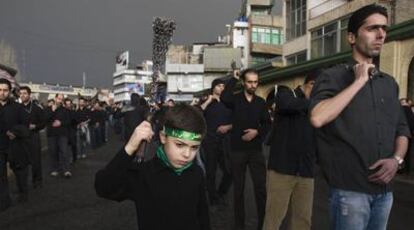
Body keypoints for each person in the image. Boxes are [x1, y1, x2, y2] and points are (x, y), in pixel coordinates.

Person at [309, 4, 411, 230]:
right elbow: (317, 118)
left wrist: (397, 161)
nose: (381, 34)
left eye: (384, 28)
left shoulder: (389, 84)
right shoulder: (332, 76)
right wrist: (358, 82)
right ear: (352, 37)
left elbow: (402, 130)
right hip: (349, 192)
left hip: (385, 194)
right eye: (372, 28)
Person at [95, 104, 210, 230]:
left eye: (194, 147)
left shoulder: (196, 172)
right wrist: (130, 147)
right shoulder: (143, 175)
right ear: (163, 137)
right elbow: (103, 187)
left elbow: (202, 214)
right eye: (179, 144)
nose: (187, 154)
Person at [263, 73, 318, 230]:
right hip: (282, 170)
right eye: (316, 86)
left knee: (303, 220)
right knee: (274, 218)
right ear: (309, 84)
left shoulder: (316, 106)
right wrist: (316, 102)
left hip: (306, 172)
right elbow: (286, 104)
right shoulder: (286, 94)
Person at [221, 68, 271, 230]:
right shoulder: (235, 99)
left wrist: (257, 132)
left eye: (255, 82)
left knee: (260, 189)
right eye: (249, 82)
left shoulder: (261, 102)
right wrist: (233, 79)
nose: (253, 85)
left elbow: (267, 124)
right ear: (244, 82)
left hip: (256, 150)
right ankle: (239, 225)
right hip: (238, 150)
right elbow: (224, 97)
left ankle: (263, 223)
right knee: (239, 190)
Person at [200, 78, 233, 206]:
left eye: (223, 86)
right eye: (219, 86)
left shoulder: (229, 103)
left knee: (230, 171)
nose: (221, 88)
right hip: (210, 142)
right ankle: (213, 198)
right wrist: (208, 101)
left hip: (225, 142)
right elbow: (198, 112)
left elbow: (238, 120)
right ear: (213, 87)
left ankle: (221, 193)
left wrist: (228, 127)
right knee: (211, 171)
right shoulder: (207, 102)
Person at [0, 79, 30, 210]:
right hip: (0, 146)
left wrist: (15, 132)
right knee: (1, 176)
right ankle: (4, 201)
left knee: (19, 172)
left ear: (10, 91)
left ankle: (23, 194)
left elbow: (25, 125)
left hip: (15, 145)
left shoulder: (18, 108)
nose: (2, 93)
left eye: (5, 90)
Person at [19, 86, 46, 188]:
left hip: (34, 136)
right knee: (22, 162)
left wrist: (36, 126)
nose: (22, 95)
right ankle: (22, 183)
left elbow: (43, 123)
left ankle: (37, 181)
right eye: (20, 93)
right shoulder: (18, 108)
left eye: (24, 93)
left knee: (36, 161)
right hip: (21, 138)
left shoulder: (37, 108)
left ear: (29, 94)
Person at [45, 93, 72, 178]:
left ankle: (66, 170)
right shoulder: (48, 109)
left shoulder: (65, 110)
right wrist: (52, 111)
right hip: (51, 134)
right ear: (55, 98)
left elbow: (68, 121)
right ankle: (54, 169)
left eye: (61, 99)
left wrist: (61, 123)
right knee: (53, 152)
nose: (60, 100)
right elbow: (45, 119)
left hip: (62, 134)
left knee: (64, 151)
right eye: (58, 98)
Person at [64, 98, 78, 163]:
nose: (68, 105)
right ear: (64, 105)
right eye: (67, 104)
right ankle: (66, 159)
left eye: (69, 104)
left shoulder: (74, 112)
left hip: (72, 131)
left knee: (73, 146)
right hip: (65, 132)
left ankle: (74, 158)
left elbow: (76, 121)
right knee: (65, 147)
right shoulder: (62, 112)